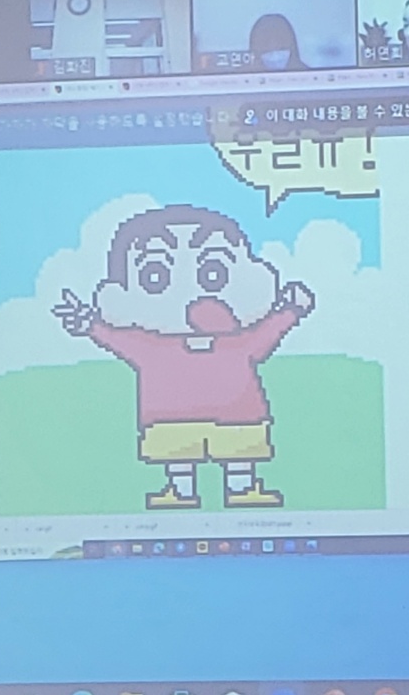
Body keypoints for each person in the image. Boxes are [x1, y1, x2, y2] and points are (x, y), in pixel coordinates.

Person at [52, 204, 314, 510]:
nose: (190, 292)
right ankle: (181, 491)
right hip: (170, 418)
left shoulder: (236, 343)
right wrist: (89, 324)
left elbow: (266, 334)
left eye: (214, 274)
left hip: (238, 416)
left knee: (239, 454)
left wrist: (291, 311)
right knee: (178, 456)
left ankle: (241, 488)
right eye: (154, 276)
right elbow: (113, 338)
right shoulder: (150, 346)